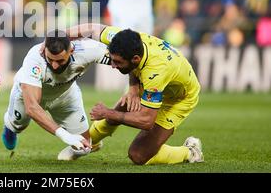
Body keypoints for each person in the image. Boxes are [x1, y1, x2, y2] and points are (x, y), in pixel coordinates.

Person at [66, 23, 204, 164]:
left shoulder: (155, 71)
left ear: (135, 59)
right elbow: (92, 28)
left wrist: (108, 113)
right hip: (156, 85)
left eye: (118, 62)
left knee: (138, 155)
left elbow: (146, 121)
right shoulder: (125, 41)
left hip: (178, 99)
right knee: (124, 105)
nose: (113, 65)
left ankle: (190, 152)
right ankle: (88, 143)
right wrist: (56, 40)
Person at [1, 30, 112, 160]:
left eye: (60, 61)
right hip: (30, 94)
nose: (54, 65)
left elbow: (125, 57)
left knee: (85, 148)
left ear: (71, 51)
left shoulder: (89, 50)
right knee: (18, 124)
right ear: (44, 50)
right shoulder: (34, 59)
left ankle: (82, 146)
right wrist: (66, 136)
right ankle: (11, 128)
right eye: (50, 59)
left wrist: (133, 87)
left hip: (65, 96)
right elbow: (32, 107)